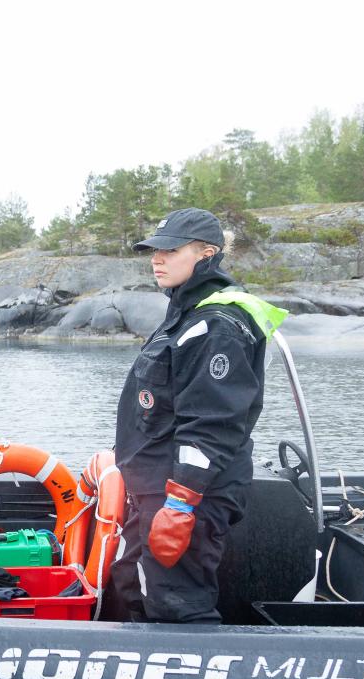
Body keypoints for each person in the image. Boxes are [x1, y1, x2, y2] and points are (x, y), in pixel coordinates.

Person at [110, 208, 286, 623]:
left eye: (170, 250)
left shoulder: (218, 324)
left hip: (185, 495)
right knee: (132, 582)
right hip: (156, 488)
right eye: (154, 250)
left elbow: (212, 423)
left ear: (207, 253)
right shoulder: (186, 315)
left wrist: (181, 502)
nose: (157, 258)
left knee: (177, 603)